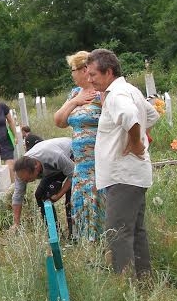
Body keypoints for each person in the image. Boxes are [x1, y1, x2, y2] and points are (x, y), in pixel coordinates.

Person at [86, 48, 159, 278]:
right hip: (132, 174)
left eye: (93, 75)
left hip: (123, 175)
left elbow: (130, 117)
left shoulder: (117, 95)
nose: (89, 80)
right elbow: (153, 115)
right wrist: (134, 137)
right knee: (135, 231)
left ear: (108, 72)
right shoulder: (130, 90)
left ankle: (125, 285)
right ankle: (144, 281)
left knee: (117, 233)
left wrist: (136, 141)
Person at [53, 51, 105, 243]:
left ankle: (104, 241)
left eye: (73, 70)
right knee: (82, 200)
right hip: (81, 163)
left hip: (99, 160)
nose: (71, 74)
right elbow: (59, 121)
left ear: (85, 70)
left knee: (99, 198)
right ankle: (87, 242)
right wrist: (74, 102)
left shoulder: (101, 93)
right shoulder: (75, 94)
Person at [12, 137, 74, 236]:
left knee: (71, 200)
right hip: (54, 168)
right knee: (41, 195)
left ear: (36, 167)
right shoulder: (21, 171)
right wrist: (16, 223)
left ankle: (74, 234)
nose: (26, 182)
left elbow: (73, 175)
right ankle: (54, 233)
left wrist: (59, 195)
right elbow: (18, 195)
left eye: (28, 179)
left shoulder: (55, 156)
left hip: (70, 155)